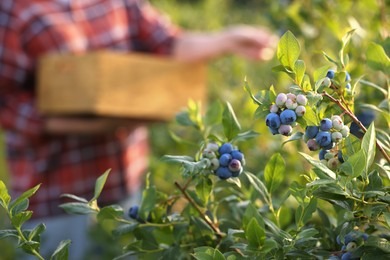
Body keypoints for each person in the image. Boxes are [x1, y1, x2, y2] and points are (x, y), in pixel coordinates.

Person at [0, 0, 278, 258]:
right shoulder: (15, 9)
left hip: (125, 190)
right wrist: (77, 122)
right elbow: (6, 100)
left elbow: (168, 43)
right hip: (55, 201)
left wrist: (226, 40)